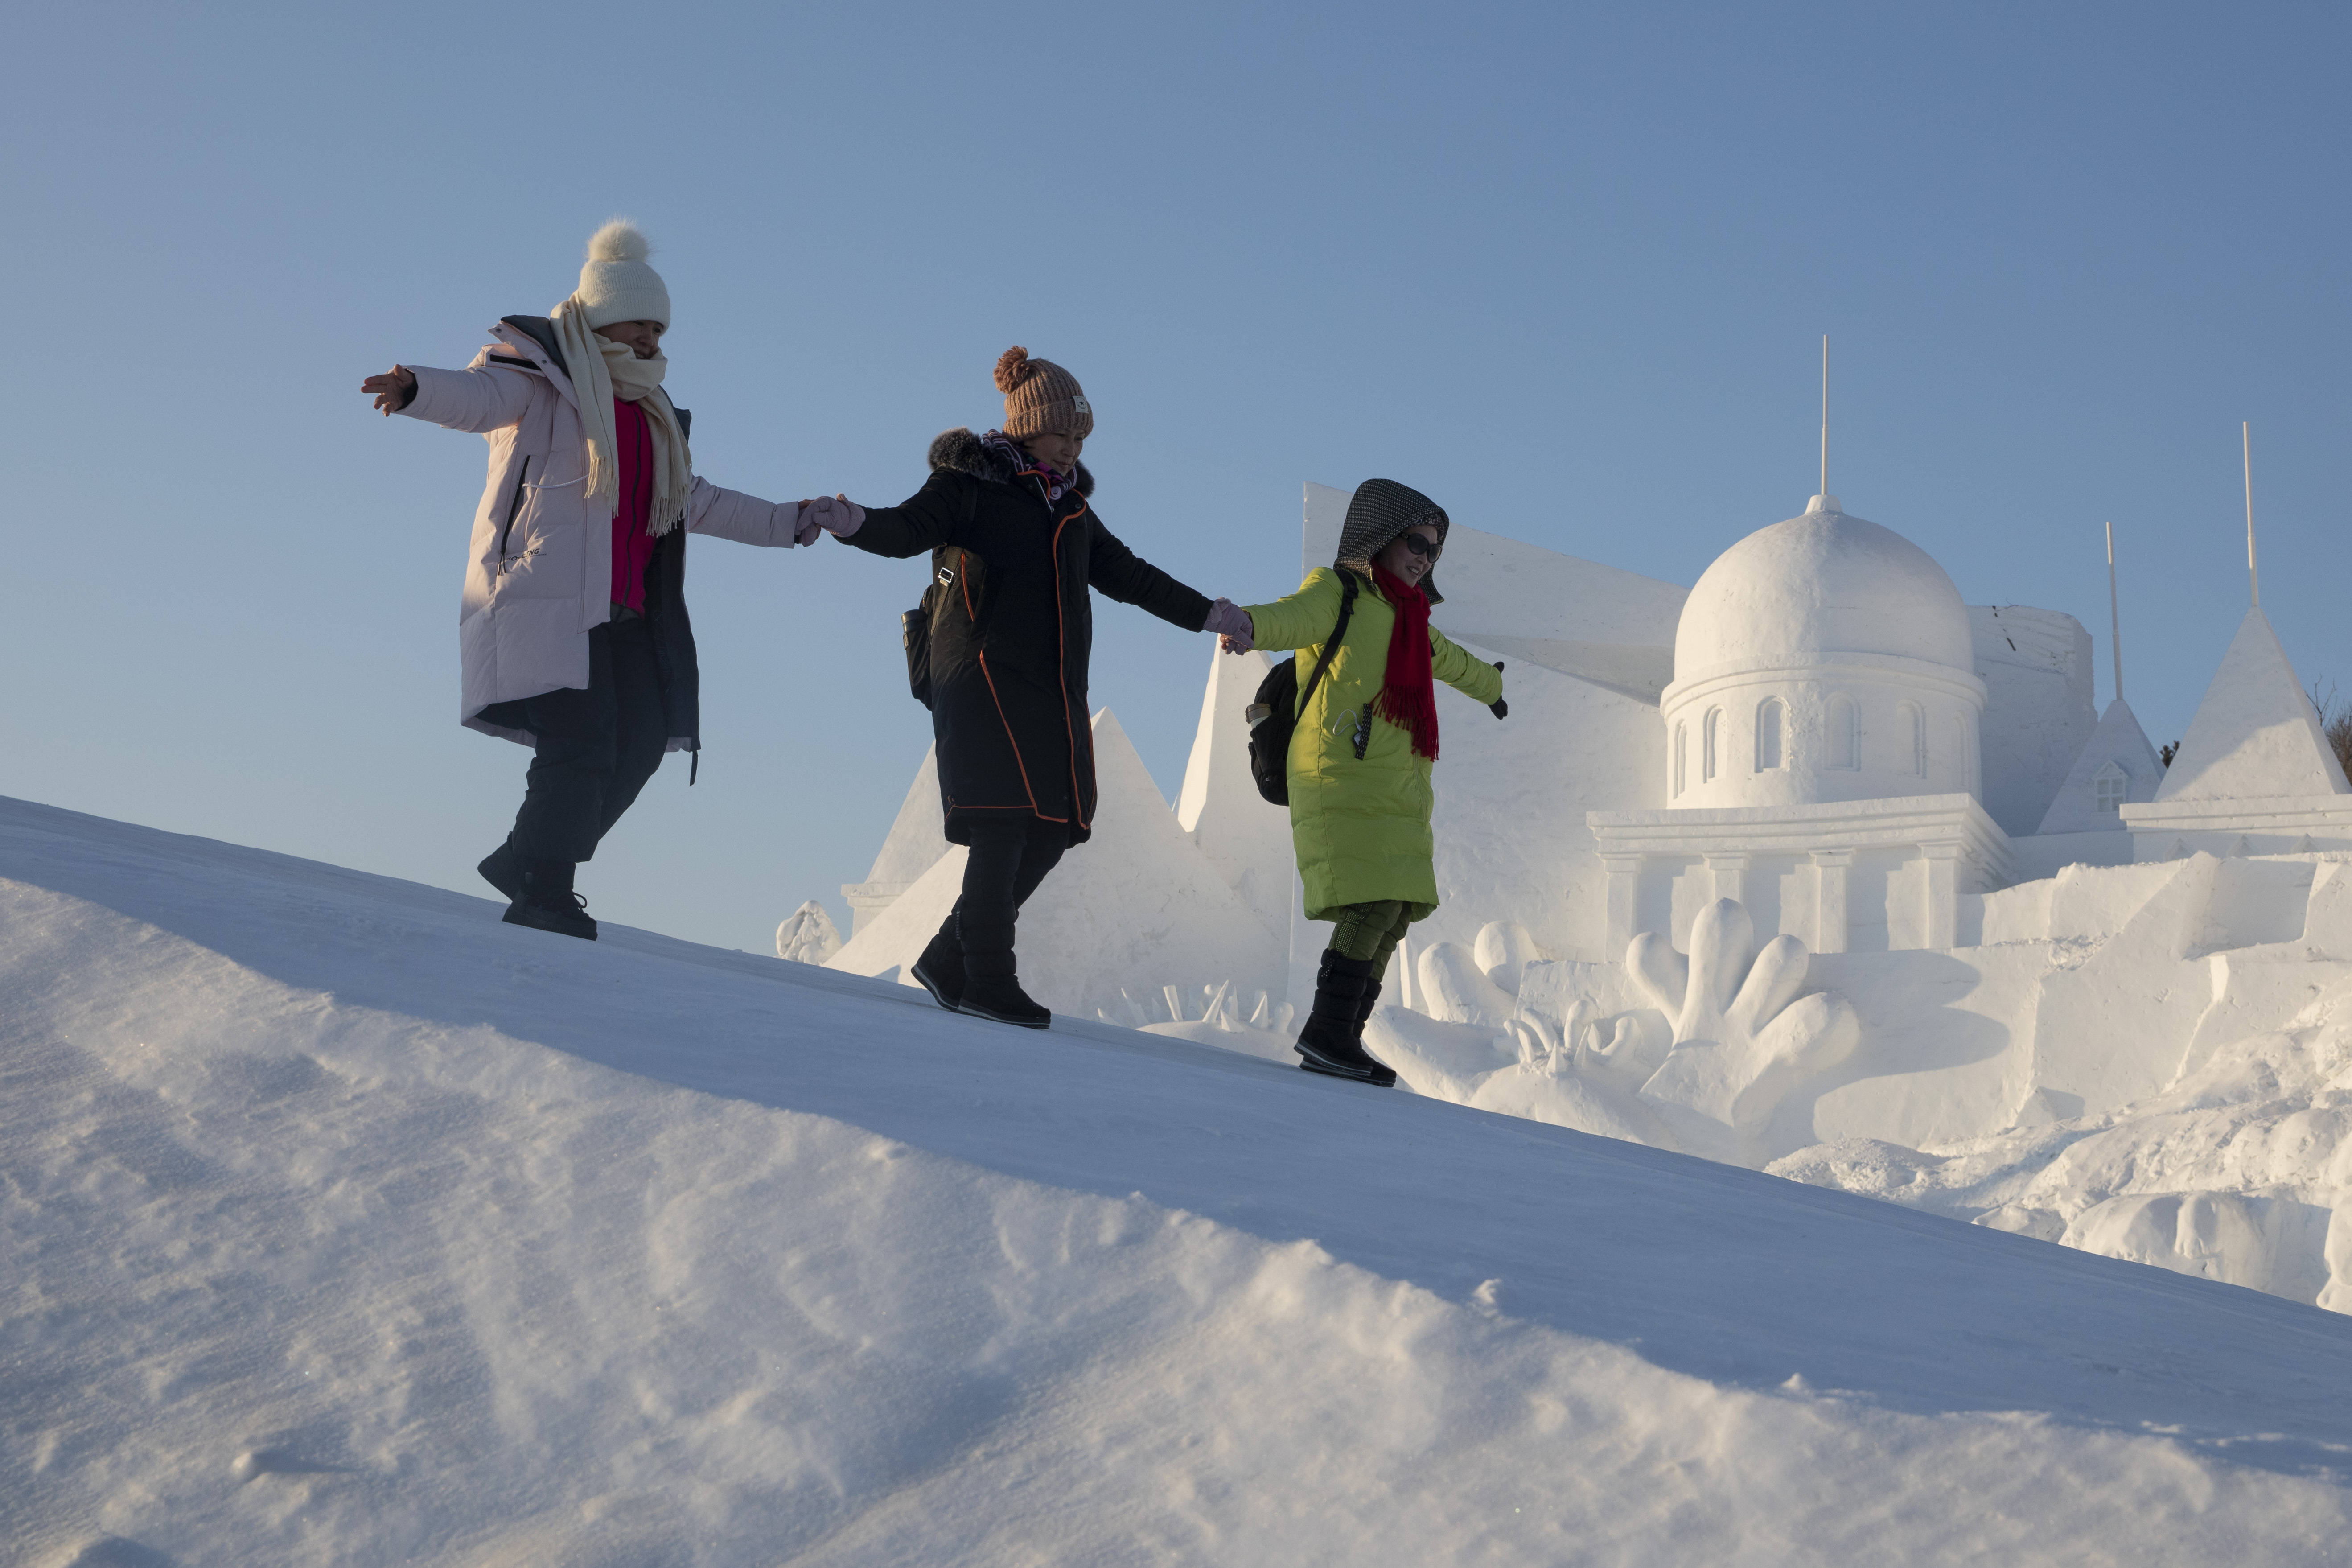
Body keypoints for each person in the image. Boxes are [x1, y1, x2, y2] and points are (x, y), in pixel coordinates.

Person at [360, 221, 813, 941]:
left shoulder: (651, 415)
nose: (651, 340)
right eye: (640, 322)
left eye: (660, 328)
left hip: (628, 610)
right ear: (604, 315)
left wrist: (789, 520)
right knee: (581, 741)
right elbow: (477, 399)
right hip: (551, 598)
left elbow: (694, 500)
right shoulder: (539, 379)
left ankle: (525, 857)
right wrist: (417, 387)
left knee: (637, 745)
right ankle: (545, 888)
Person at [801, 348, 1254, 1028]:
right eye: (1060, 435)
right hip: (978, 678)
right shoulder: (968, 488)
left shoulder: (1069, 511)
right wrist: (853, 521)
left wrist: (1210, 614)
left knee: (1054, 828)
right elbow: (906, 529)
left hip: (1047, 688)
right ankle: (987, 976)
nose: (1072, 450)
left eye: (1080, 438)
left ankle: (949, 961)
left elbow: (1131, 575)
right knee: (1003, 821)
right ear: (1023, 427)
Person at [1225, 479, 1506, 1084]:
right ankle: (1326, 1032)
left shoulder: (1408, 616)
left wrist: (1495, 687)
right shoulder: (1338, 592)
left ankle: (1344, 1036)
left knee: (1397, 908)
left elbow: (1451, 660)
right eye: (1416, 541)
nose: (1424, 556)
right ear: (1378, 536)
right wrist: (1248, 623)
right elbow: (1291, 619)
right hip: (1337, 771)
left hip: (1396, 783)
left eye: (1433, 549)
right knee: (1374, 899)